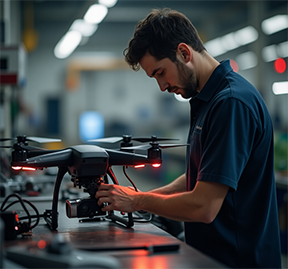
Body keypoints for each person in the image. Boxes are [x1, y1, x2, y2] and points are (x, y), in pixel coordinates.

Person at [96, 8, 282, 269]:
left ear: (184, 53)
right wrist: (139, 200)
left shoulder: (231, 103)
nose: (161, 86)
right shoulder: (208, 100)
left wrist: (137, 201)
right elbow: (202, 175)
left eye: (160, 73)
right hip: (212, 257)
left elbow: (204, 206)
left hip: (238, 261)